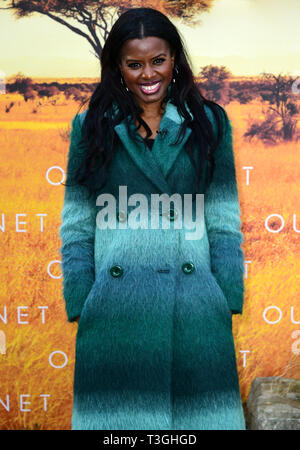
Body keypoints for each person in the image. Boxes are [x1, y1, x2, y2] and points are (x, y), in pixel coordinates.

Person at [59, 7, 246, 430]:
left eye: (158, 60)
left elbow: (221, 215)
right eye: (134, 63)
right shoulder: (91, 126)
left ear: (174, 59)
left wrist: (225, 296)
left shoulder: (210, 123)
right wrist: (84, 301)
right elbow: (77, 223)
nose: (148, 73)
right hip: (115, 310)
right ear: (117, 67)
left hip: (195, 307)